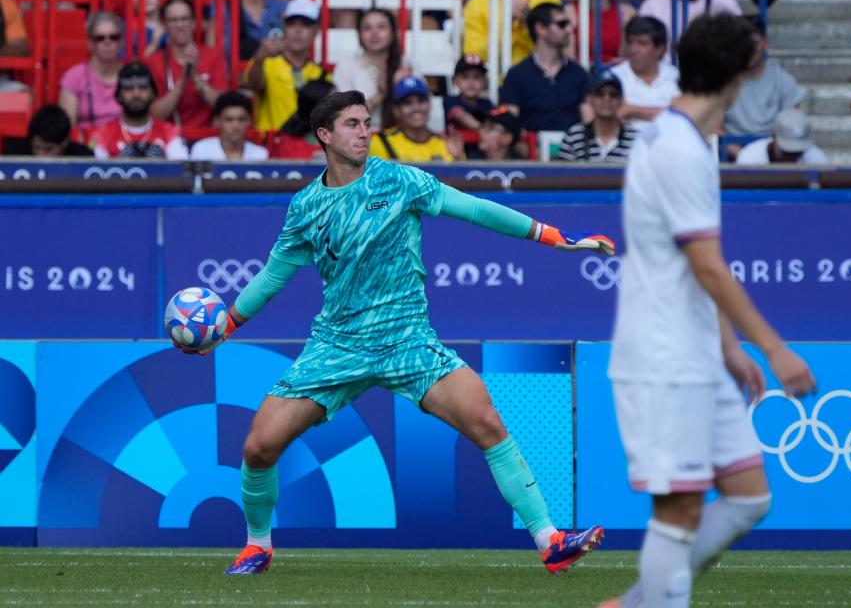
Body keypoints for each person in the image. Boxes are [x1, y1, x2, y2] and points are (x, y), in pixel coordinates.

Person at [171, 89, 612, 576]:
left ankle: (549, 540)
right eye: (353, 124)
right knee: (259, 447)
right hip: (336, 347)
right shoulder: (306, 207)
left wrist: (552, 236)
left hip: (408, 341)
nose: (364, 132)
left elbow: (477, 209)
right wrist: (228, 324)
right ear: (325, 135)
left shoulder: (401, 179)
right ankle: (258, 546)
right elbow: (274, 276)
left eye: (366, 123)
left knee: (487, 423)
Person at [601, 14, 816, 608]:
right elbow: (709, 266)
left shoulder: (686, 140)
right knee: (680, 508)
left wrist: (726, 345)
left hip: (695, 351)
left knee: (748, 497)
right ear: (738, 71)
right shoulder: (676, 149)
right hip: (663, 355)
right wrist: (773, 347)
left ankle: (638, 600)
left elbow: (695, 264)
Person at [500, 2, 591, 133]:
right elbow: (508, 127)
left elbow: (589, 124)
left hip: (572, 151)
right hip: (530, 151)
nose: (569, 30)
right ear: (541, 28)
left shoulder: (579, 74)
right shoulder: (516, 75)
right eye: (562, 24)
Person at [244, 0, 330, 132]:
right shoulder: (266, 63)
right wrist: (259, 57)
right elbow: (252, 84)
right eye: (292, 23)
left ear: (316, 31)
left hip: (305, 150)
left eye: (305, 25)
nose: (298, 30)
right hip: (272, 149)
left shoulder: (322, 74)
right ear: (284, 27)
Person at [145, 0, 227, 130]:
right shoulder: (154, 61)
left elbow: (223, 107)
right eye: (173, 20)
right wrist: (183, 79)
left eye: (185, 19)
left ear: (194, 22)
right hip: (169, 140)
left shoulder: (213, 56)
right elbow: (156, 116)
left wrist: (195, 77)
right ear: (164, 24)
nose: (180, 25)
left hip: (206, 139)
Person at [88, 61, 189, 160]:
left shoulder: (169, 132)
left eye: (143, 87)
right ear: (119, 95)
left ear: (153, 94)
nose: (136, 93)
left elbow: (181, 170)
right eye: (128, 88)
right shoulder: (103, 134)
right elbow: (95, 172)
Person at [333, 8, 412, 132]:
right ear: (359, 35)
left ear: (393, 34)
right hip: (358, 139)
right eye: (367, 28)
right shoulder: (346, 67)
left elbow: (419, 111)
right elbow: (344, 119)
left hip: (399, 138)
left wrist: (401, 89)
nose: (374, 33)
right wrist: (381, 94)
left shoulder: (406, 65)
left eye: (381, 27)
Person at [724, 21, 804, 140]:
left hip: (773, 152)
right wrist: (742, 154)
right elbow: (715, 128)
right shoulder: (723, 81)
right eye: (744, 43)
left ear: (765, 44)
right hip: (730, 152)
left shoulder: (783, 80)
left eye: (755, 43)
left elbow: (792, 125)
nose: (749, 49)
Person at [369, 76, 465, 162]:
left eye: (421, 100)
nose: (416, 107)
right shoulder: (380, 142)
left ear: (429, 104)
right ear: (396, 110)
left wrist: (457, 159)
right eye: (407, 103)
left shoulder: (445, 144)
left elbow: (460, 180)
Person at [58, 12, 125, 130]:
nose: (107, 42)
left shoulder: (130, 75)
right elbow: (67, 129)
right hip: (86, 145)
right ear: (90, 43)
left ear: (121, 42)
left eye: (113, 37)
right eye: (100, 38)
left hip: (125, 144)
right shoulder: (74, 77)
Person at [611, 15, 680, 126]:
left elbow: (683, 116)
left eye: (642, 43)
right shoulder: (614, 77)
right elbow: (615, 115)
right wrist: (666, 112)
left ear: (660, 49)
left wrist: (632, 110)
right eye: (630, 42)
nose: (633, 49)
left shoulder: (676, 77)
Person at [558, 68, 638, 162]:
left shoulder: (636, 139)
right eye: (599, 94)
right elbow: (562, 175)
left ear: (621, 100)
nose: (607, 99)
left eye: (613, 94)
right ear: (589, 99)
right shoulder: (574, 136)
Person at [266, 78, 336, 159]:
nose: (341, 106)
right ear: (316, 108)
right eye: (333, 103)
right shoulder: (285, 145)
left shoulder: (347, 140)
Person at [190, 92, 269, 161]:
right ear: (218, 121)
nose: (236, 126)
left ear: (249, 121)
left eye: (241, 119)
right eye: (229, 119)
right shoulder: (202, 150)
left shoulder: (260, 154)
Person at [735, 108, 829, 165]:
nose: (792, 159)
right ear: (774, 137)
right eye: (787, 152)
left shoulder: (816, 158)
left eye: (798, 153)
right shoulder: (750, 157)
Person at [444, 54, 495, 157]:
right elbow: (461, 116)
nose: (471, 82)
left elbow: (495, 123)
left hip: (482, 154)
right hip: (455, 154)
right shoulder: (450, 100)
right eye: (465, 77)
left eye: (476, 77)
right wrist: (482, 129)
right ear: (455, 80)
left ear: (484, 82)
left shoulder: (487, 104)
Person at [4, 105, 94, 157]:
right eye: (37, 148)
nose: (41, 156)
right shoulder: (15, 156)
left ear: (65, 142)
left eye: (49, 149)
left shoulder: (83, 158)